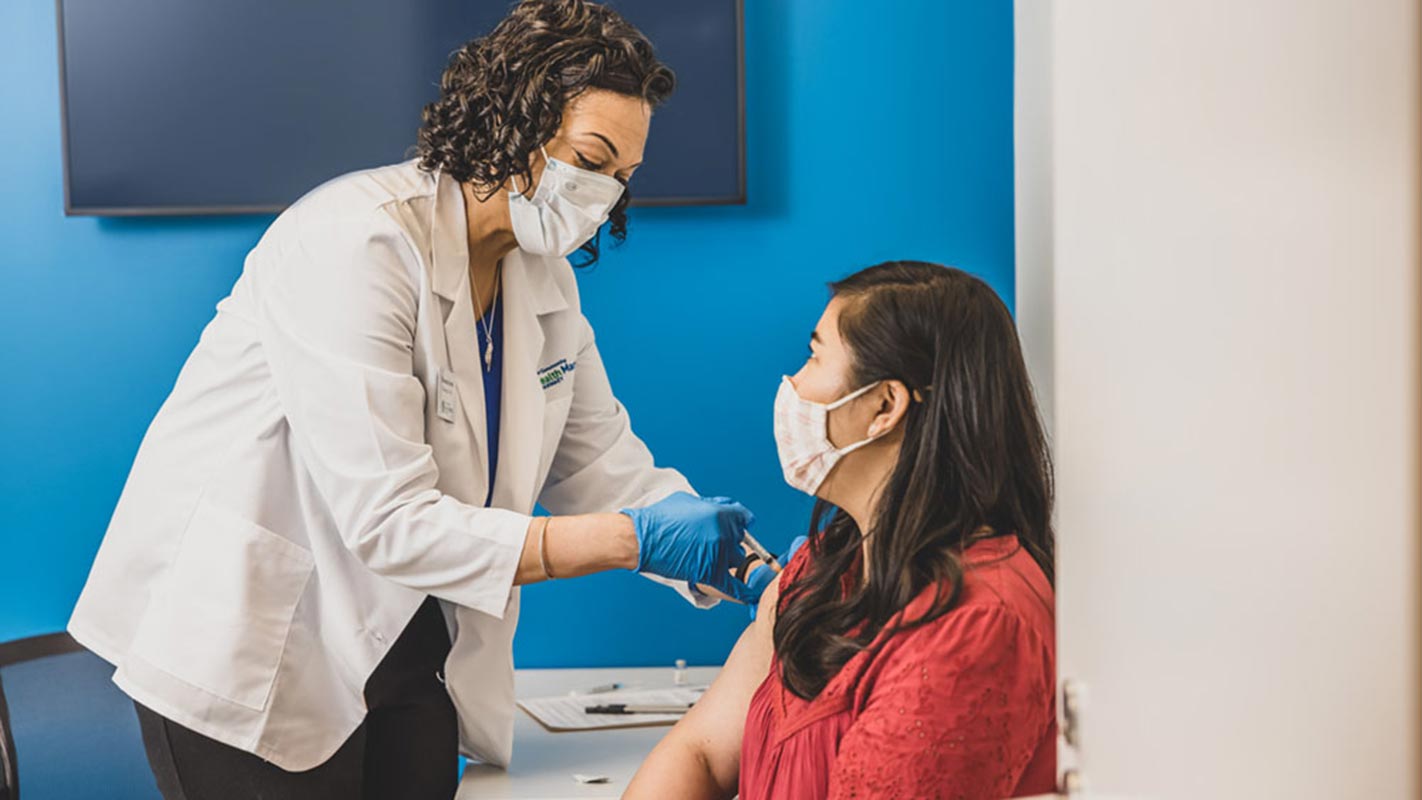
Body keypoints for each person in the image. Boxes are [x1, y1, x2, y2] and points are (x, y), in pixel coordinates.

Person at [65, 2, 760, 798]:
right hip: (251, 638)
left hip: (402, 632)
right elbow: (388, 520)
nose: (602, 196)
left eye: (622, 178)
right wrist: (627, 541)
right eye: (589, 159)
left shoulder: (545, 279)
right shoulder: (356, 242)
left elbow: (602, 462)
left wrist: (742, 563)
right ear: (511, 124)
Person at [626, 261, 1058, 799]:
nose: (793, 383)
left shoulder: (975, 624)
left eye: (814, 356)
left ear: (884, 406)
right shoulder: (830, 565)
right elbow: (703, 756)